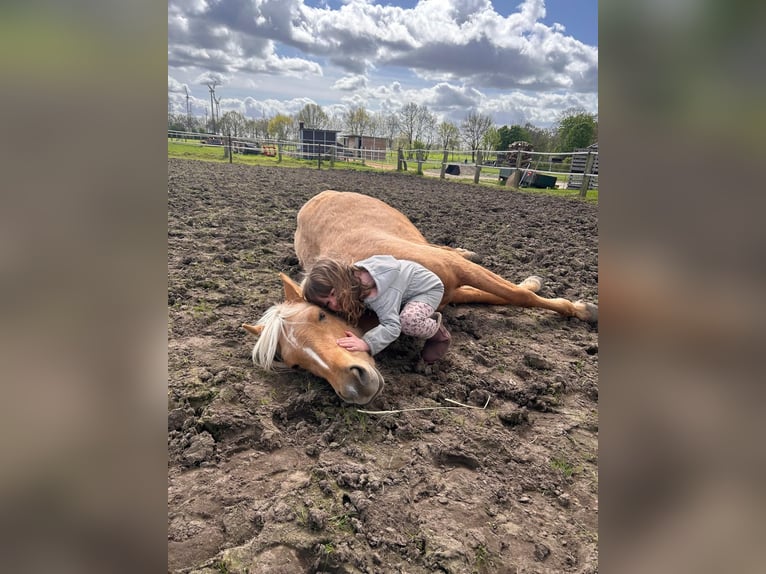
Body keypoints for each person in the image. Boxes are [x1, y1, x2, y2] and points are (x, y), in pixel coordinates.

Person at [302, 256, 451, 363]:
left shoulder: (378, 294)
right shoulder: (352, 282)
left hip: (426, 290)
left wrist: (367, 343)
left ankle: (438, 335)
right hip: (402, 289)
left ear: (340, 279)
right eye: (327, 304)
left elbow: (392, 327)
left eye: (333, 294)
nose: (334, 303)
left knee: (408, 321)